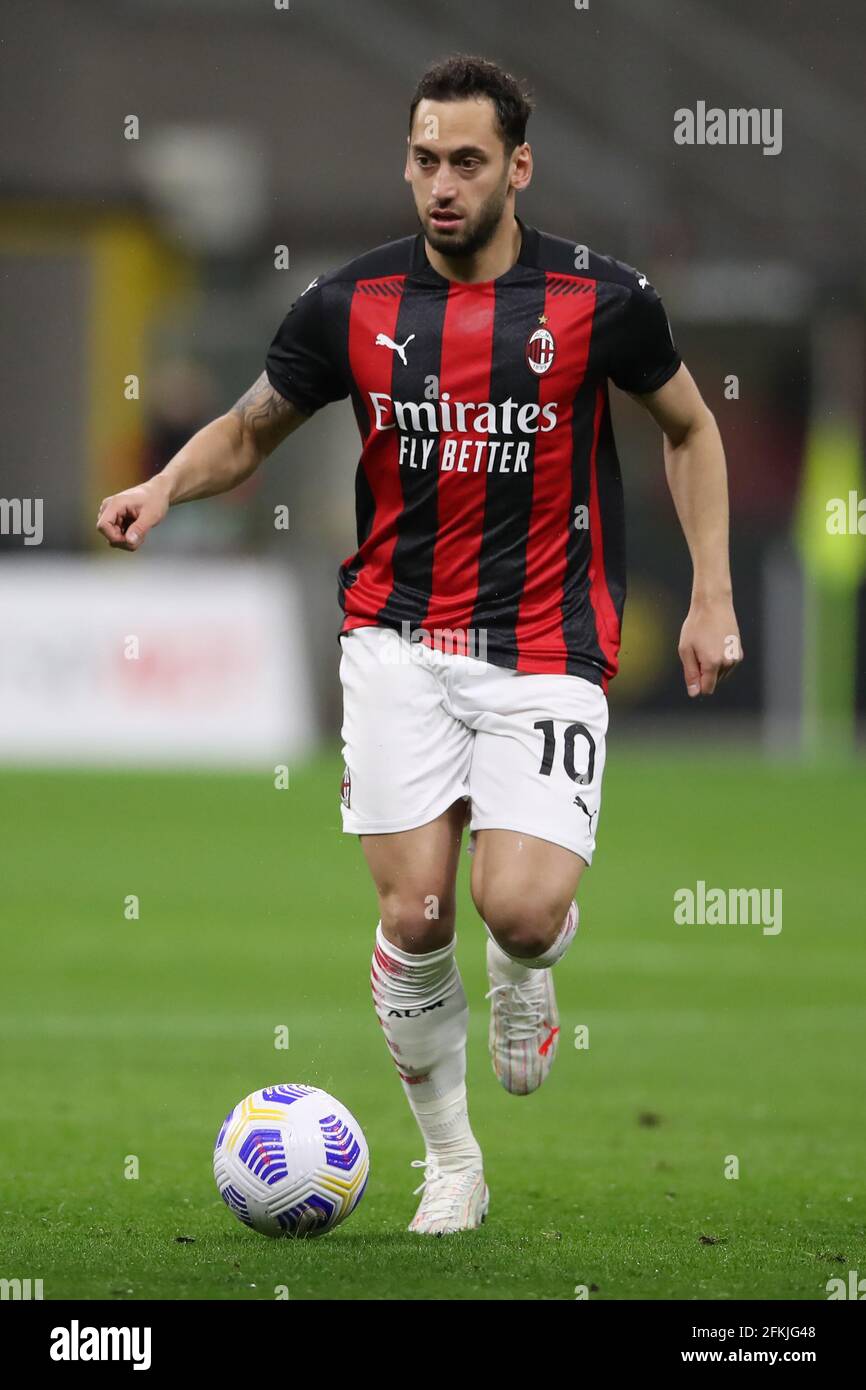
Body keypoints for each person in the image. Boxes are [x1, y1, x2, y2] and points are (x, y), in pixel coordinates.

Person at [97, 53, 743, 1236]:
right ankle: (451, 1163)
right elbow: (250, 428)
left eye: (465, 162)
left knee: (523, 912)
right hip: (395, 636)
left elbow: (690, 428)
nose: (439, 184)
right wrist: (164, 485)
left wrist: (709, 594)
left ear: (516, 168)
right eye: (422, 159)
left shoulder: (602, 301)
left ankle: (526, 975)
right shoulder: (350, 306)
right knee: (413, 918)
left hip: (546, 643)